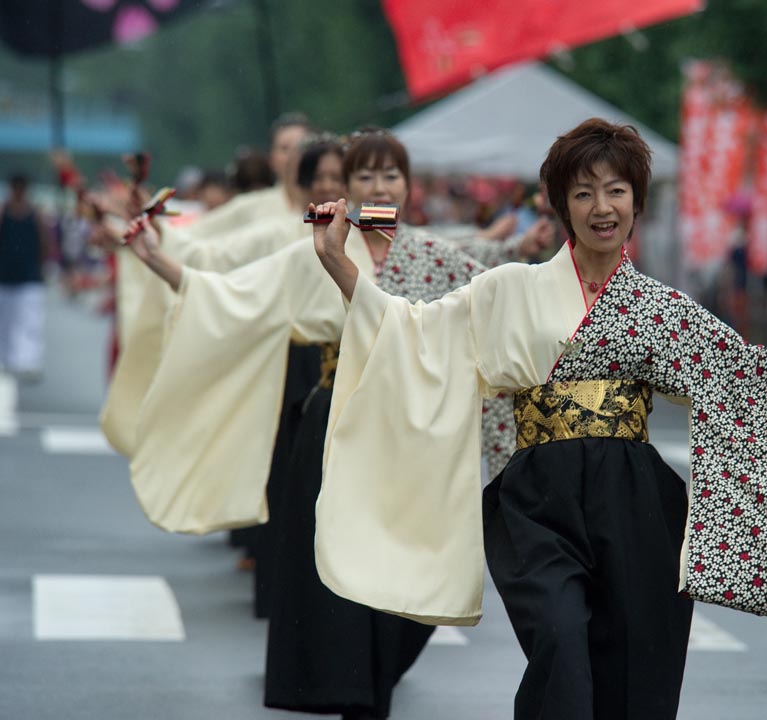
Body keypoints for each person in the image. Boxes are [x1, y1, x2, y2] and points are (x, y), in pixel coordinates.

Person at [310, 118, 767, 719]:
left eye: (615, 190)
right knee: (558, 640)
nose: (601, 207)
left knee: (633, 673)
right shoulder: (507, 290)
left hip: (636, 505)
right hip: (536, 503)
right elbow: (415, 334)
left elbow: (753, 382)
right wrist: (338, 262)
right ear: (561, 206)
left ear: (636, 202)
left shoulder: (660, 308)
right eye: (583, 192)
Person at [121, 128, 517, 719]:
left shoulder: (437, 258)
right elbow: (236, 297)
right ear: (345, 186)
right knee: (339, 572)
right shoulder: (316, 249)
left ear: (409, 187)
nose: (378, 186)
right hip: (336, 422)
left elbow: (496, 306)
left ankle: (378, 679)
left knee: (418, 579)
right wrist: (157, 259)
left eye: (390, 176)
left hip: (412, 437)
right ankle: (356, 693)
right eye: (364, 177)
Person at [0, 173, 51, 380]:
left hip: (30, 275)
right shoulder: (3, 211)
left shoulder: (35, 213)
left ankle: (29, 360)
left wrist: (43, 265)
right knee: (5, 320)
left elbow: (45, 242)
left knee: (30, 320)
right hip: (5, 273)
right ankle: (6, 359)